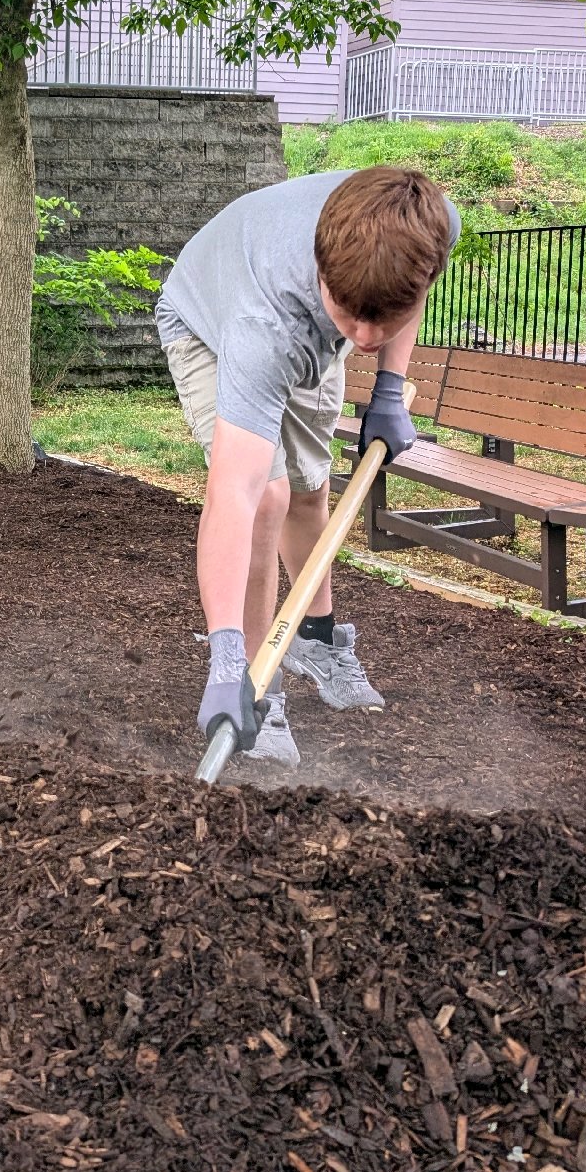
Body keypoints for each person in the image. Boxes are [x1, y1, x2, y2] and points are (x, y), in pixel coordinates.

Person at [156, 166, 460, 768]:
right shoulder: (261, 328)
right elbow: (232, 496)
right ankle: (250, 681)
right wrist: (223, 657)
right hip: (209, 321)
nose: (368, 338)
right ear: (321, 274)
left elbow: (395, 299)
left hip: (307, 328)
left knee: (308, 490)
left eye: (386, 319)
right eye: (353, 317)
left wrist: (391, 390)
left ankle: (314, 640)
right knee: (266, 497)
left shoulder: (428, 224)